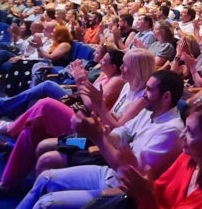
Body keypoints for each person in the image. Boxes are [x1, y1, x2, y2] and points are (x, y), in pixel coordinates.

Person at [17, 70, 186, 208]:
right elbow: (119, 133)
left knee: (47, 157)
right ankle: (12, 174)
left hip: (96, 151)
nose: (123, 70)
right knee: (45, 150)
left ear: (166, 97)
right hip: (101, 147)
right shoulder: (135, 97)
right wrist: (99, 129)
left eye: (127, 66)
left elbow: (133, 173)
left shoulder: (169, 128)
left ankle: (11, 179)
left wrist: (97, 124)